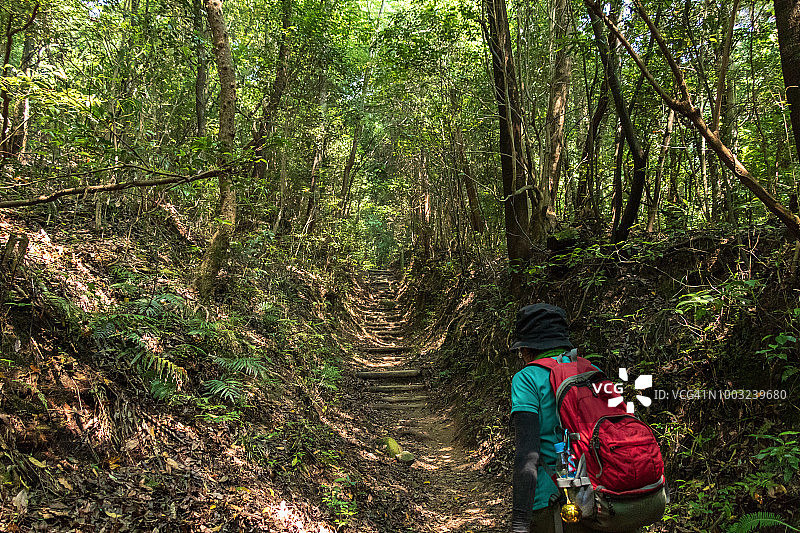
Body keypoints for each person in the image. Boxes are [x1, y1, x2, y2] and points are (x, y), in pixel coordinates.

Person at [510, 303, 593, 533]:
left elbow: (527, 454)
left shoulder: (526, 379)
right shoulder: (589, 370)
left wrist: (519, 523)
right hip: (599, 496)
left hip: (554, 501)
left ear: (526, 349)